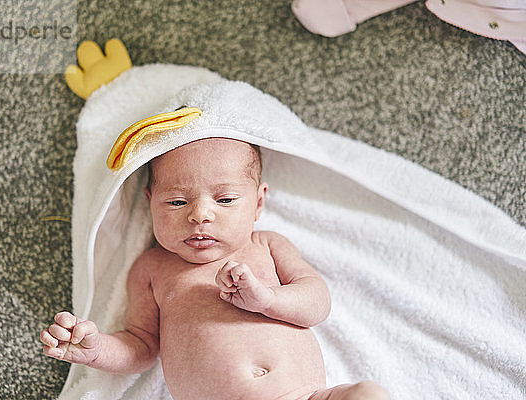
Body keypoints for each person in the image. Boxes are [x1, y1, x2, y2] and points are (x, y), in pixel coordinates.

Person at [41, 138, 391, 400]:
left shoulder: (266, 245)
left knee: (368, 394)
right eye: (177, 202)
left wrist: (267, 300)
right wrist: (97, 349)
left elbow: (317, 302)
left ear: (257, 202)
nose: (200, 216)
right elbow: (141, 346)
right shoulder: (152, 269)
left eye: (224, 200)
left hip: (310, 396)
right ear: (150, 203)